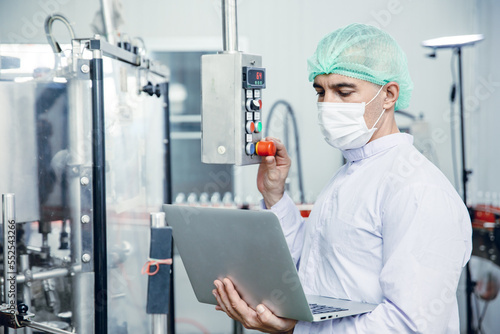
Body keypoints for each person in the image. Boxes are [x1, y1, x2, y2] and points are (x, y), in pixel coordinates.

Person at [212, 23, 472, 333]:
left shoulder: (417, 189)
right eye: (320, 91)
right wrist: (275, 195)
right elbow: (312, 268)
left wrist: (297, 329)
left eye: (343, 91)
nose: (327, 104)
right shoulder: (350, 174)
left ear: (389, 95)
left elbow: (410, 325)